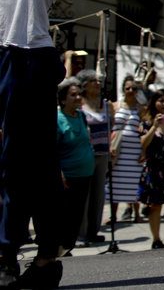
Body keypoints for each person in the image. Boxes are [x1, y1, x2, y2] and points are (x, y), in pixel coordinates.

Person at [0, 0, 164, 287]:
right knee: (19, 164)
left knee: (22, 164)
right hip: (7, 55)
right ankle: (39, 254)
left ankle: (27, 254)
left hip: (28, 60)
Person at [138, 90, 164, 248]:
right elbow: (143, 143)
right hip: (154, 169)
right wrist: (154, 126)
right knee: (155, 205)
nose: (163, 103)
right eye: (160, 100)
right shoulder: (147, 122)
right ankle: (156, 239)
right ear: (153, 102)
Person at [55, 79, 94, 257]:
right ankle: (56, 249)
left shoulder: (81, 116)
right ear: (63, 100)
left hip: (84, 175)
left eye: (79, 94)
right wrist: (59, 174)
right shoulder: (57, 119)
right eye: (73, 95)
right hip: (67, 178)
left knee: (76, 216)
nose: (78, 97)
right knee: (63, 216)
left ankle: (66, 247)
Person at [77, 70, 113, 245]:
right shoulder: (79, 104)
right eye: (93, 82)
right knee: (84, 194)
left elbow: (110, 128)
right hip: (86, 154)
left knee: (99, 195)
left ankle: (93, 230)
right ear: (85, 85)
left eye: (99, 82)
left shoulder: (106, 104)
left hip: (103, 153)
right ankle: (81, 233)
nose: (98, 84)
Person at [109, 77, 145, 224]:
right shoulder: (115, 106)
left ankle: (136, 214)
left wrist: (144, 150)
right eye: (128, 88)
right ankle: (113, 216)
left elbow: (144, 129)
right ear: (123, 89)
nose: (130, 91)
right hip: (118, 148)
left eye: (134, 89)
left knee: (134, 181)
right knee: (115, 182)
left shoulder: (141, 108)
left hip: (134, 149)